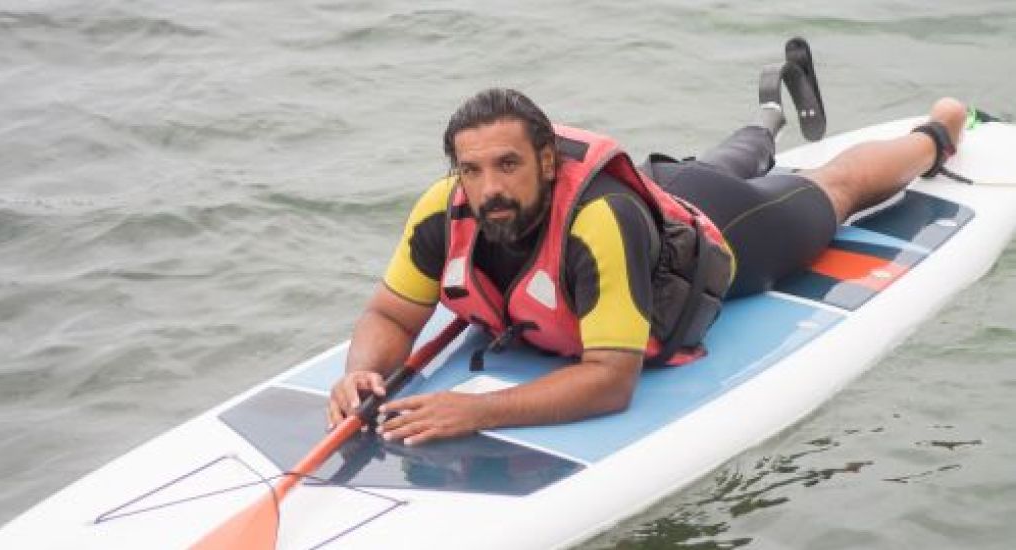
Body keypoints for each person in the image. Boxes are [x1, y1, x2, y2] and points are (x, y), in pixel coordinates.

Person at [327, 58, 967, 447]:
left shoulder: (598, 222)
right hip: (661, 200)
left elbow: (611, 381)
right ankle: (769, 113)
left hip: (718, 230)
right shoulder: (444, 211)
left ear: (549, 162)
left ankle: (937, 132)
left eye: (508, 165)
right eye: (472, 170)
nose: (489, 188)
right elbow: (388, 316)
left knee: (830, 190)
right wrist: (361, 372)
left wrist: (474, 412)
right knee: (712, 166)